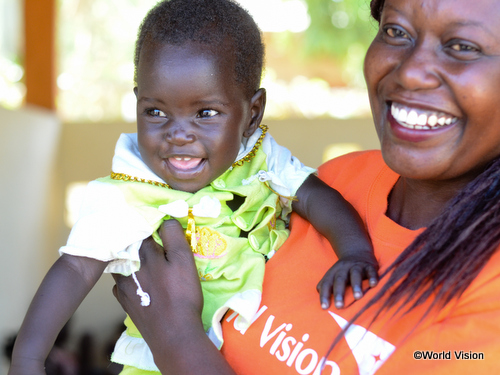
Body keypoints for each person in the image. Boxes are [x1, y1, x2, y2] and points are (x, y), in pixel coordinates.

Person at [109, 0, 500, 373]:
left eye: (463, 46)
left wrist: (177, 341)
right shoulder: (336, 185)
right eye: (396, 31)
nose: (411, 71)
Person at [8, 1, 378, 374]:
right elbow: (74, 268)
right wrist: (28, 358)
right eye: (156, 112)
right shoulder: (126, 192)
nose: (178, 134)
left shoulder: (261, 159)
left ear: (253, 114)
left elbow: (313, 195)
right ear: (137, 104)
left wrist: (354, 251)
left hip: (260, 354)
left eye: (205, 113)